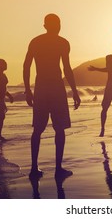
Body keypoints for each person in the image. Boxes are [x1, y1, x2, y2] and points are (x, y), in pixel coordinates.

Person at [23, 13, 81, 178]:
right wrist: (75, 91)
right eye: (58, 23)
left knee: (38, 129)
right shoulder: (62, 43)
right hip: (55, 88)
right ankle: (57, 169)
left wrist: (28, 89)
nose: (59, 26)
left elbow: (26, 66)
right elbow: (67, 69)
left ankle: (35, 169)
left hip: (41, 88)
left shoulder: (36, 41)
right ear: (52, 25)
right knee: (59, 129)